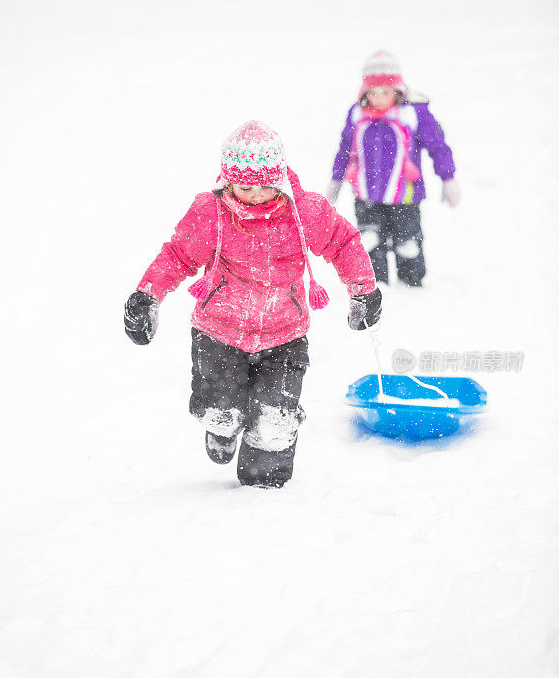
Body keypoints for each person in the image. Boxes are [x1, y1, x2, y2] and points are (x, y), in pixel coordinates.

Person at [124, 120, 381, 489]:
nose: (256, 195)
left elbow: (343, 242)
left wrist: (363, 290)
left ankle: (262, 495)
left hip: (284, 335)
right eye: (245, 187)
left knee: (275, 422)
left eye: (265, 186)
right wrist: (147, 296)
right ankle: (221, 430)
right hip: (219, 333)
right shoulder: (211, 212)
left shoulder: (304, 212)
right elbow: (178, 255)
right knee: (221, 411)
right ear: (228, 180)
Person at [327, 50, 460, 287]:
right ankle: (375, 288)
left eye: (386, 92)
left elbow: (438, 146)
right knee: (369, 241)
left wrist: (448, 178)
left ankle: (412, 285)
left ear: (398, 90)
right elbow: (345, 148)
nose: (380, 98)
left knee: (407, 243)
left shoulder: (414, 113)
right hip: (366, 196)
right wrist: (335, 181)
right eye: (374, 92)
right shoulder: (357, 113)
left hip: (405, 197)